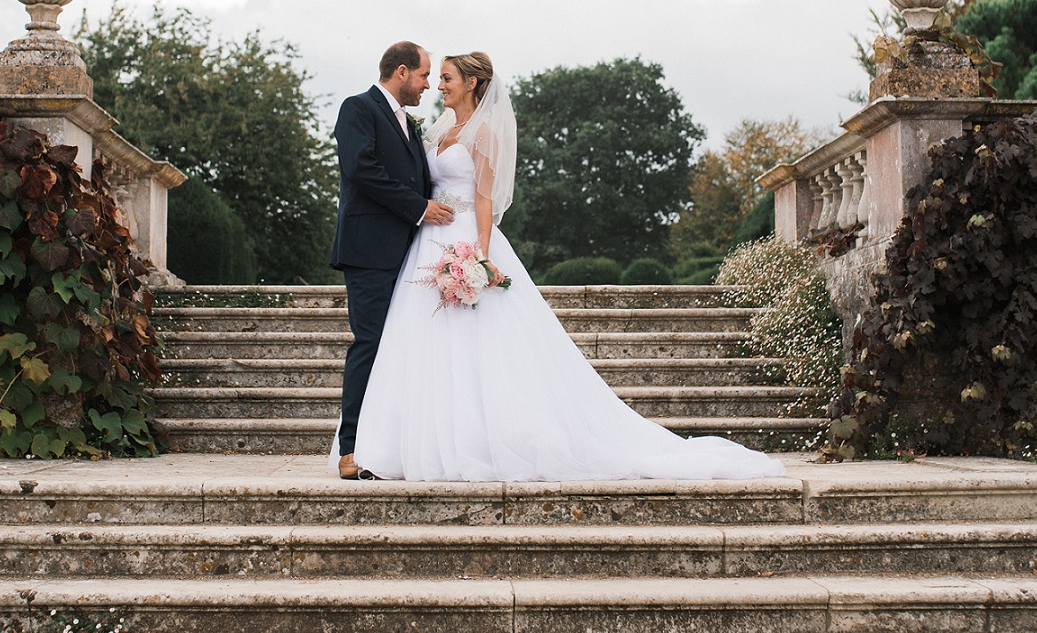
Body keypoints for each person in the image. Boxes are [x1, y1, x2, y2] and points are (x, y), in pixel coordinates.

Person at [351, 52, 784, 482]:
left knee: (478, 345)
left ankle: (478, 441)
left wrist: (478, 255)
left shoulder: (485, 133)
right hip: (428, 241)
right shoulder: (437, 129)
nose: (438, 85)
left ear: (471, 84)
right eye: (435, 77)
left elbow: (484, 199)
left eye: (445, 78)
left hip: (464, 237)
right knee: (422, 342)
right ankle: (413, 442)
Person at [329, 41, 455, 480]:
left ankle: (391, 447)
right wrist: (420, 207)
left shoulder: (409, 123)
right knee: (370, 344)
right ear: (401, 72)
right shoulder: (357, 109)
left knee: (401, 349)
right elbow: (362, 169)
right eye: (423, 76)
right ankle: (350, 449)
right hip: (369, 250)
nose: (427, 86)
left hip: (409, 252)